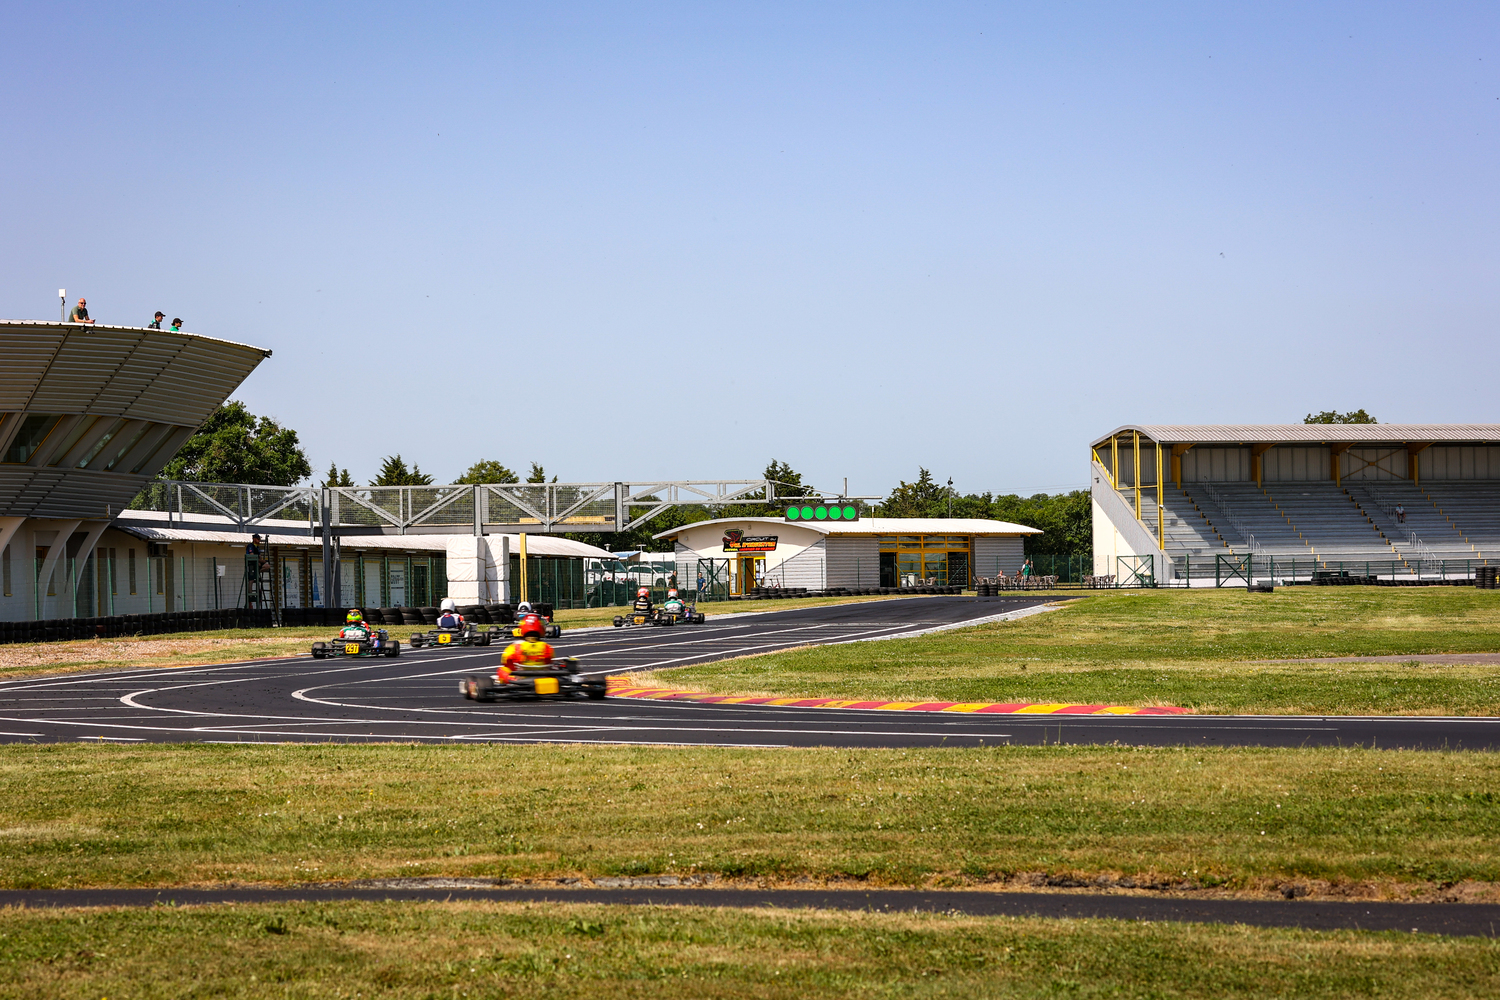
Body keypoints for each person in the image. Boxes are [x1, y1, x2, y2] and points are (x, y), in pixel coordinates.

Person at [499, 614, 556, 681]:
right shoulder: (547, 647)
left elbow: (505, 661)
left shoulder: (515, 647)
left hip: (522, 680)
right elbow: (549, 662)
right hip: (542, 678)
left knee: (502, 670)